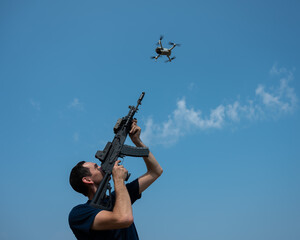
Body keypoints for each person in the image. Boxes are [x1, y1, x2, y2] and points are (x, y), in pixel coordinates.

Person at [68, 120, 163, 240]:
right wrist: (118, 180)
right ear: (87, 180)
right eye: (96, 167)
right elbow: (124, 218)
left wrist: (137, 141)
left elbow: (156, 171)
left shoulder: (118, 197)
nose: (101, 166)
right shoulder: (79, 214)